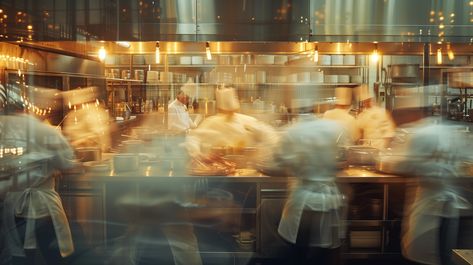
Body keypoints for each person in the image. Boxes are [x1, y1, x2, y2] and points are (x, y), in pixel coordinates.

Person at [1, 86, 76, 265]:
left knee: (21, 257)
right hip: (43, 207)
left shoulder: (3, 129)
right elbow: (67, 163)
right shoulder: (46, 131)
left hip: (14, 204)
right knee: (54, 255)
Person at [275, 118, 346, 265]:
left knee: (299, 251)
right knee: (324, 253)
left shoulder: (293, 131)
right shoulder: (335, 126)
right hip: (329, 198)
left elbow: (280, 159)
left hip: (303, 199)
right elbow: (342, 159)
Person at [400, 123, 472, 265]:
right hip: (445, 207)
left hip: (438, 207)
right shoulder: (457, 134)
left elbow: (405, 165)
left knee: (436, 252)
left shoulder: (422, 133)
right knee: (443, 252)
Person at [186, 87, 279, 163]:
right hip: (219, 170)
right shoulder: (211, 122)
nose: (230, 114)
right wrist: (197, 154)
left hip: (246, 171)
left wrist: (272, 152)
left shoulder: (248, 121)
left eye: (232, 112)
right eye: (227, 111)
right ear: (220, 109)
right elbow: (193, 138)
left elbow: (270, 135)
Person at [62, 87, 111, 153]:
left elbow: (98, 135)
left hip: (94, 152)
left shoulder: (93, 113)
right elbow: (69, 133)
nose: (74, 107)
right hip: (77, 152)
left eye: (76, 105)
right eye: (73, 106)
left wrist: (81, 141)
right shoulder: (72, 114)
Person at [355, 84, 395, 149]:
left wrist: (384, 147)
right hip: (366, 148)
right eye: (364, 101)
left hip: (380, 148)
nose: (366, 103)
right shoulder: (362, 115)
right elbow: (358, 134)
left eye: (368, 100)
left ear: (371, 99)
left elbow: (389, 133)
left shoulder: (381, 112)